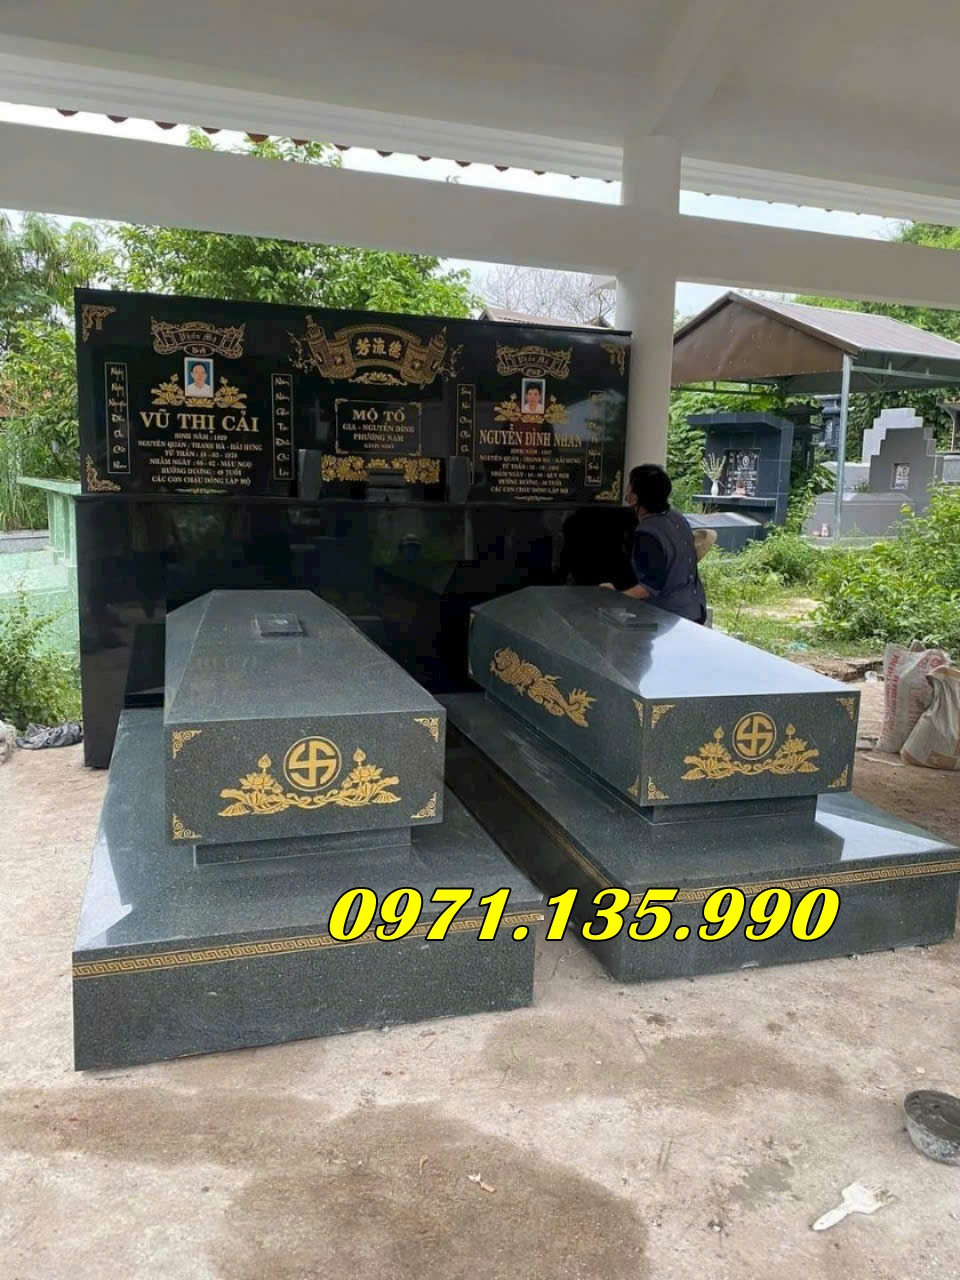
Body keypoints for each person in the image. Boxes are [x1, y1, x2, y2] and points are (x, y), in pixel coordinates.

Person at [602, 463, 707, 623]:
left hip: (669, 616)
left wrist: (615, 597)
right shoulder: (677, 518)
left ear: (637, 496)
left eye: (630, 488)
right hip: (695, 608)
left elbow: (649, 588)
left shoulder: (648, 533)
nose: (626, 494)